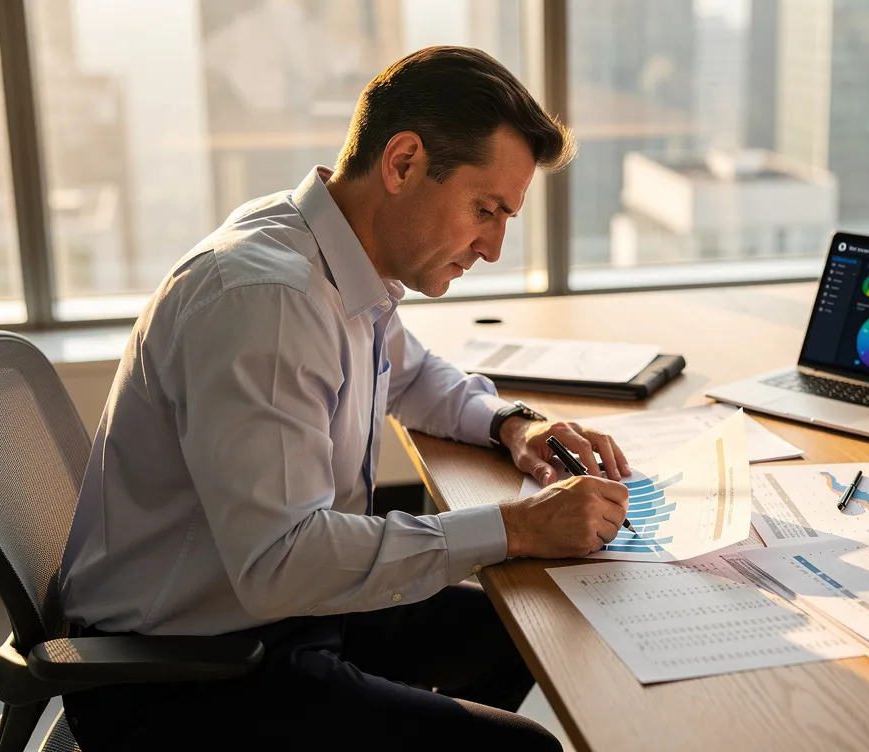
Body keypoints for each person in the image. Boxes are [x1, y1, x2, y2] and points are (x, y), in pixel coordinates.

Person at [57, 46, 630, 750]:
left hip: (268, 609)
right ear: (403, 163)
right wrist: (515, 528)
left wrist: (513, 425)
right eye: (486, 209)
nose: (494, 248)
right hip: (175, 672)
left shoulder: (334, 253)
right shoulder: (267, 300)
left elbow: (411, 374)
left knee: (515, 630)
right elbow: (280, 563)